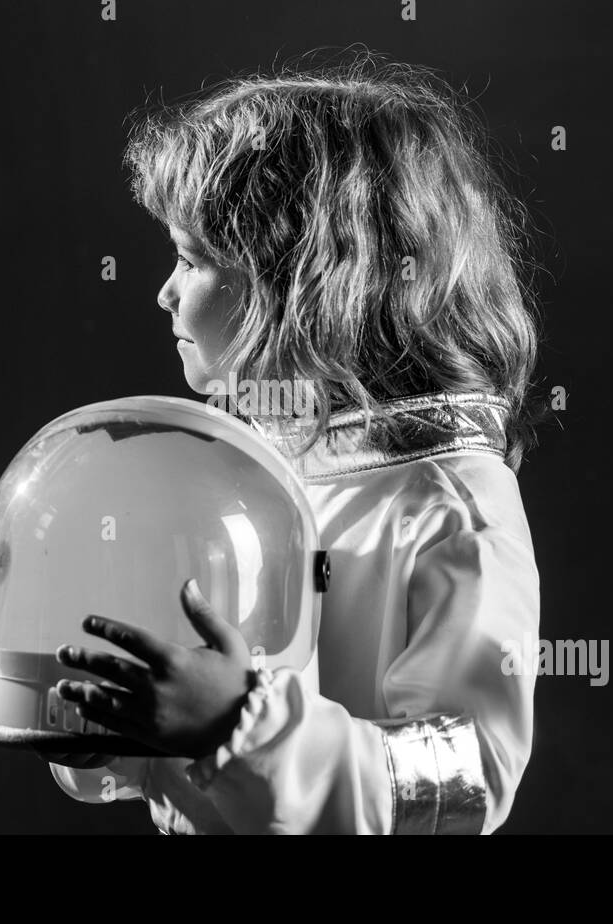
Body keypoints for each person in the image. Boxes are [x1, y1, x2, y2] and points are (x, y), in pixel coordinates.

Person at [44, 50, 544, 834]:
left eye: (193, 258)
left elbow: (462, 782)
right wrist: (125, 738)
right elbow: (207, 773)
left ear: (310, 281)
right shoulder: (256, 483)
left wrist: (241, 726)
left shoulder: (451, 509)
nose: (165, 292)